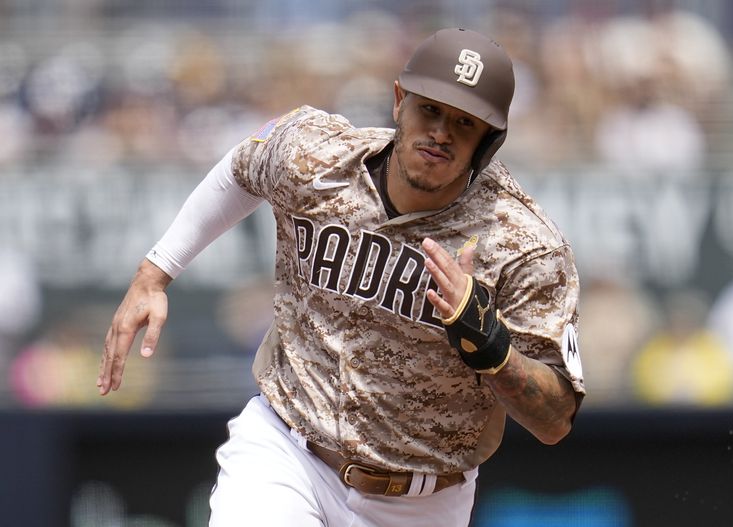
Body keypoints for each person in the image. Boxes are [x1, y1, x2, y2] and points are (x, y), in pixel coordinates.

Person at [97, 28, 585, 527]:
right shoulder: (320, 157)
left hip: (422, 498)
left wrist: (493, 349)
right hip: (287, 451)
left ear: (490, 140)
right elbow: (242, 169)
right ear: (399, 101)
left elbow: (555, 420)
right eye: (430, 109)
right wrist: (155, 272)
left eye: (464, 121)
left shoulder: (523, 245)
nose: (441, 132)